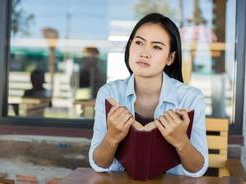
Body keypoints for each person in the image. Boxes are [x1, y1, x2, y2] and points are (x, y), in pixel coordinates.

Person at [89, 13, 208, 177]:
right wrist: (112, 137)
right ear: (130, 46)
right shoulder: (109, 93)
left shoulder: (191, 98)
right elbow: (99, 164)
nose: (144, 53)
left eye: (157, 47)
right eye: (139, 43)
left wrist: (181, 141)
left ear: (170, 58)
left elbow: (197, 169)